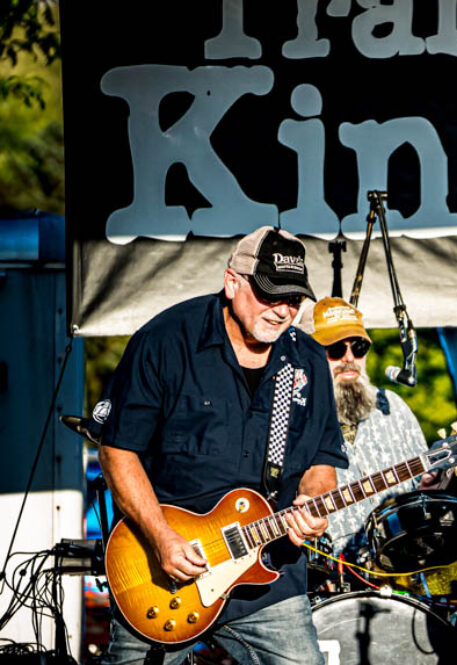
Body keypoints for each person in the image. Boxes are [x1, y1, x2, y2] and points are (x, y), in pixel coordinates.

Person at [92, 227, 346, 665]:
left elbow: (322, 457)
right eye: (270, 294)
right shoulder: (166, 342)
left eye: (294, 299)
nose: (282, 310)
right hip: (165, 572)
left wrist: (313, 501)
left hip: (270, 574)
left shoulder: (305, 359)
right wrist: (161, 538)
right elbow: (118, 451)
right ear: (233, 283)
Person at [302, 297, 428, 567]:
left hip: (400, 572)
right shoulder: (290, 415)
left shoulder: (393, 407)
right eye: (335, 349)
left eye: (358, 348)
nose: (349, 358)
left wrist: (435, 483)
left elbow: (423, 490)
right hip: (325, 580)